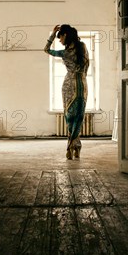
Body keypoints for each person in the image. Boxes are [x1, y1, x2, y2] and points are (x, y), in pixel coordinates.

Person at [44, 24, 89, 159]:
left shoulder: (72, 51)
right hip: (80, 82)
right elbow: (87, 67)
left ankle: (70, 147)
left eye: (59, 37)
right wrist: (82, 77)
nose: (59, 40)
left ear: (65, 35)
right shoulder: (79, 48)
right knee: (74, 117)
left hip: (71, 83)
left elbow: (46, 49)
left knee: (74, 117)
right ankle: (76, 147)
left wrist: (52, 34)